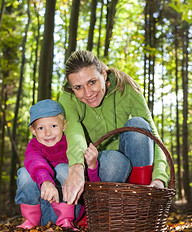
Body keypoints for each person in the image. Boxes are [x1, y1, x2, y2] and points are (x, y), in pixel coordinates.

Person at [59, 50, 169, 205]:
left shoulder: (126, 88)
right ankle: (105, 209)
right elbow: (73, 132)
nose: (88, 93)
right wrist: (76, 166)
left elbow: (152, 135)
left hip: (133, 163)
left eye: (92, 82)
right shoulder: (67, 98)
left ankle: (141, 202)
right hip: (99, 166)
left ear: (103, 75)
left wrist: (159, 177)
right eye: (78, 87)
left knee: (139, 125)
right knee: (114, 161)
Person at [15, 99, 99, 230]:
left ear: (64, 125)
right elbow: (36, 162)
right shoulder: (33, 146)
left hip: (70, 211)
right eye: (41, 128)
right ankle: (30, 220)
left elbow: (92, 185)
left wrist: (92, 166)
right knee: (25, 173)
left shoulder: (72, 144)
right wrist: (45, 181)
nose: (48, 133)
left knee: (63, 169)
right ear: (33, 130)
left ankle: (65, 221)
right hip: (41, 212)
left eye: (53, 126)